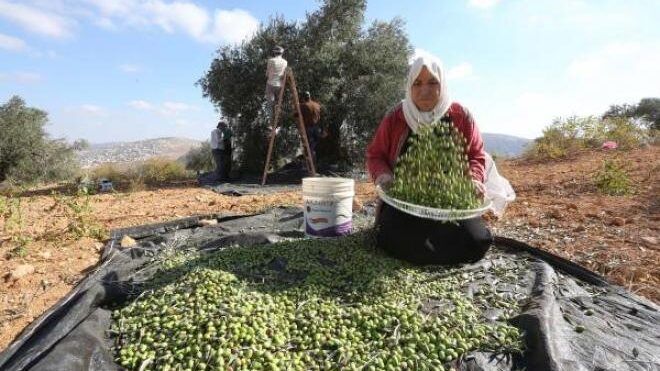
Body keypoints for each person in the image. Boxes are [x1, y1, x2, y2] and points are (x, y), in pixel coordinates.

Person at [366, 55, 492, 265]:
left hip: (451, 202)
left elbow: (476, 156)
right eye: (417, 83)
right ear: (409, 86)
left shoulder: (460, 115)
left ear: (443, 84)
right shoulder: (396, 116)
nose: (424, 90)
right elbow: (375, 154)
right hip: (404, 200)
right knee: (390, 238)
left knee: (476, 241)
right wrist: (384, 176)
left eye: (432, 82)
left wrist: (474, 179)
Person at [296, 91, 322, 165]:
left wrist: (296, 107)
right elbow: (320, 116)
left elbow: (296, 115)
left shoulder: (303, 106)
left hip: (308, 128)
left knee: (309, 146)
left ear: (304, 97)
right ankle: (313, 162)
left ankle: (310, 162)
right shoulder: (317, 105)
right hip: (316, 128)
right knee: (313, 145)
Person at [265, 45, 288, 110]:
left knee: (270, 105)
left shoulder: (271, 60)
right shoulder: (285, 62)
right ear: (282, 53)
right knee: (279, 103)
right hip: (280, 85)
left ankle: (272, 117)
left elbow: (267, 74)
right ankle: (278, 110)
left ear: (274, 52)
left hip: (270, 84)